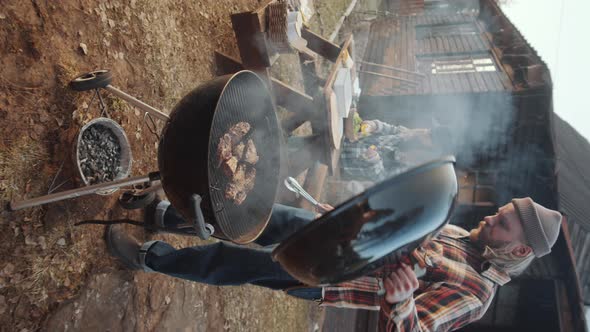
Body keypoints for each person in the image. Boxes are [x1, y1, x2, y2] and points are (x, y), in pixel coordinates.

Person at [106, 197, 562, 332]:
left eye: (502, 223)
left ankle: (151, 259)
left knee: (236, 261)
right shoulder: (465, 237)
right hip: (340, 238)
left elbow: (413, 331)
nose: (489, 218)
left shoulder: (477, 295)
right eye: (498, 211)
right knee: (268, 216)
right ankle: (169, 214)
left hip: (324, 275)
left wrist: (401, 302)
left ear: (519, 251)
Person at [340, 118, 453, 194]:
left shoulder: (412, 169)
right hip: (344, 140)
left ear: (432, 150)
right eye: (429, 130)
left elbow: (382, 179)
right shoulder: (411, 134)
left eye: (429, 136)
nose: (425, 132)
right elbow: (388, 128)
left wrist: (374, 160)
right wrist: (373, 126)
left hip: (343, 162)